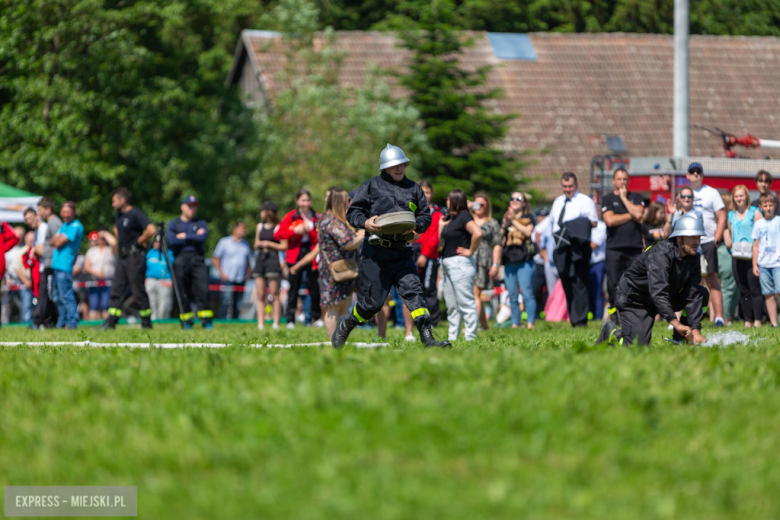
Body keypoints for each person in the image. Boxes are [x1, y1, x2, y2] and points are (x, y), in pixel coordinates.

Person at [332, 144, 451, 348]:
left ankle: (428, 338)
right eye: (394, 165)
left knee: (414, 293)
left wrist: (418, 228)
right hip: (375, 253)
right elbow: (353, 213)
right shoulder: (370, 186)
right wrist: (365, 222)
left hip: (402, 252)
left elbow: (425, 215)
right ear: (385, 167)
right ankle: (347, 324)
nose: (399, 168)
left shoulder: (414, 189)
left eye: (402, 165)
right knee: (373, 304)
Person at [597, 214, 708, 346]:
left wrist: (695, 330)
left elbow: (692, 294)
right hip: (635, 299)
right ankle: (612, 333)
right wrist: (675, 323)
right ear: (679, 238)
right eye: (692, 237)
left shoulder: (693, 257)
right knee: (637, 347)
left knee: (702, 294)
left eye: (699, 237)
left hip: (663, 296)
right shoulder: (661, 254)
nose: (697, 242)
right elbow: (658, 291)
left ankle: (681, 339)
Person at [102, 187, 156, 329]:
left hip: (134, 256)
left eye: (114, 201)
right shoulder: (118, 215)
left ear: (122, 200)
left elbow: (152, 230)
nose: (112, 204)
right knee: (116, 290)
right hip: (122, 256)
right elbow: (117, 229)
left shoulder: (135, 213)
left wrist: (140, 240)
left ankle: (146, 322)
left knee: (138, 290)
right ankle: (111, 321)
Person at [550, 172, 598, 327]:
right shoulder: (558, 202)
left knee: (580, 283)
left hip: (579, 248)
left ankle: (581, 320)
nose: (567, 189)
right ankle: (573, 319)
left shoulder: (585, 201)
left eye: (570, 186)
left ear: (576, 185)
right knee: (567, 283)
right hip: (561, 247)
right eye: (564, 186)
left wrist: (572, 227)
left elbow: (593, 222)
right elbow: (553, 223)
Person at [316, 188, 365, 339]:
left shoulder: (340, 219)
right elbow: (348, 243)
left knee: (344, 307)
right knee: (334, 307)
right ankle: (334, 342)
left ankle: (341, 340)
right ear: (339, 202)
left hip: (346, 268)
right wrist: (362, 233)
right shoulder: (330, 221)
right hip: (333, 272)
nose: (350, 202)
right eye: (347, 200)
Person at [601, 167, 645, 320]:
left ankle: (631, 316)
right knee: (613, 283)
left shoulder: (637, 196)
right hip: (614, 248)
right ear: (613, 181)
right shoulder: (607, 199)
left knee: (633, 283)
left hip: (634, 248)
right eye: (619, 179)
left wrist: (625, 199)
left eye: (624, 179)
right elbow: (610, 220)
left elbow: (639, 214)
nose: (622, 182)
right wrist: (631, 215)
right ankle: (615, 316)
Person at [401, 180, 443, 339]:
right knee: (410, 290)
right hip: (412, 251)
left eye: (428, 192)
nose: (425, 195)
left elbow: (434, 238)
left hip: (429, 255)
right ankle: (410, 329)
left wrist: (425, 254)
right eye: (422, 192)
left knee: (428, 289)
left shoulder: (436, 214)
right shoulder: (411, 210)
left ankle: (432, 323)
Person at [439, 189, 483, 341]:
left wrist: (471, 250)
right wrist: (440, 228)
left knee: (465, 302)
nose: (446, 201)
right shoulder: (451, 219)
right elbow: (442, 243)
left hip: (460, 264)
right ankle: (452, 338)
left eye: (448, 199)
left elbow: (477, 233)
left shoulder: (464, 216)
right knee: (452, 305)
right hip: (447, 264)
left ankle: (470, 337)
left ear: (455, 201)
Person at [687, 162, 727, 326]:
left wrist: (716, 239)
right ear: (687, 175)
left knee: (712, 279)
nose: (695, 174)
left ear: (702, 175)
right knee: (690, 281)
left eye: (698, 172)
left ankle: (718, 318)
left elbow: (722, 216)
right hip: (689, 244)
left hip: (708, 241)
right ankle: (691, 317)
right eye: (692, 172)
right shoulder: (685, 193)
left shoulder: (711, 193)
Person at [276, 190, 323, 329]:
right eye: (302, 200)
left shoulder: (316, 216)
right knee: (293, 287)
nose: (305, 203)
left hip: (312, 252)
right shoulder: (291, 216)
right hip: (295, 254)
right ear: (297, 201)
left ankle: (316, 317)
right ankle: (290, 319)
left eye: (307, 200)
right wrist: (294, 231)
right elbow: (279, 234)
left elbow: (321, 234)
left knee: (314, 286)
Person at [167, 195, 213, 329]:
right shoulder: (174, 224)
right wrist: (194, 237)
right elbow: (173, 241)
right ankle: (187, 321)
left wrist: (185, 236)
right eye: (189, 206)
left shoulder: (201, 223)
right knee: (182, 292)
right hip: (180, 259)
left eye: (194, 207)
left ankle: (206, 321)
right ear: (182, 207)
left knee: (203, 290)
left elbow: (202, 237)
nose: (192, 209)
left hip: (197, 259)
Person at [726, 185, 763, 327]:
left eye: (741, 196)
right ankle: (747, 321)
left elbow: (761, 234)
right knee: (742, 290)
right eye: (736, 196)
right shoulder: (731, 215)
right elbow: (730, 235)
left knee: (755, 289)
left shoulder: (755, 212)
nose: (739, 198)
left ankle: (758, 321)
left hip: (752, 256)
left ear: (746, 196)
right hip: (737, 256)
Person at [501, 192, 537, 329]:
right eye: (512, 198)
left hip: (525, 259)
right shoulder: (506, 217)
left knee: (527, 293)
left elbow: (528, 232)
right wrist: (505, 224)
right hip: (509, 259)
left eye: (518, 198)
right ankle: (515, 324)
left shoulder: (528, 217)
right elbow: (499, 237)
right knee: (512, 295)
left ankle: (530, 324)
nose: (515, 200)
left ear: (524, 202)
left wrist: (513, 220)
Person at [253, 201, 288, 330]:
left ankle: (276, 323)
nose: (261, 212)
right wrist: (261, 245)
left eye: (263, 210)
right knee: (261, 293)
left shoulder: (279, 227)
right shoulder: (259, 226)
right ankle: (260, 323)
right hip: (260, 258)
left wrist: (269, 244)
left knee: (274, 293)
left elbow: (284, 246)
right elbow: (256, 244)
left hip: (273, 259)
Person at [50, 201, 84, 329]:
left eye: (68, 212)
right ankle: (62, 322)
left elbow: (57, 243)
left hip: (65, 266)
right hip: (57, 266)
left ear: (74, 212)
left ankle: (72, 323)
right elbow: (52, 241)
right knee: (57, 297)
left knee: (67, 296)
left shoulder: (76, 226)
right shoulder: (65, 225)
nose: (65, 215)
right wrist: (57, 239)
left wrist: (57, 239)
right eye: (63, 212)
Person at [471, 192, 502, 330]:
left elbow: (497, 244)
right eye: (476, 203)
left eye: (482, 204)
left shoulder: (492, 223)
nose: (479, 207)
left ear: (487, 206)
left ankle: (473, 326)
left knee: (475, 293)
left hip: (482, 260)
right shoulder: (467, 219)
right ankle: (484, 325)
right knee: (473, 293)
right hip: (467, 258)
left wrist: (495, 264)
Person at [212, 221, 253, 320]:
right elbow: (215, 259)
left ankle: (235, 321)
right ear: (235, 229)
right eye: (243, 229)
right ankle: (222, 321)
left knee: (238, 303)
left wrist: (248, 274)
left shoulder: (246, 244)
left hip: (241, 279)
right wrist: (221, 274)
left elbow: (249, 261)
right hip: (227, 278)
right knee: (226, 301)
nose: (244, 231)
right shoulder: (224, 242)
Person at [32, 197, 61, 329]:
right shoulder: (50, 223)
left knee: (49, 294)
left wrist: (43, 249)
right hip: (48, 262)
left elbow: (60, 241)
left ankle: (50, 320)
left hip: (51, 263)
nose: (38, 214)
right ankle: (50, 320)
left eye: (40, 210)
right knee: (47, 293)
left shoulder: (53, 222)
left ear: (48, 209)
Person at [752, 193, 780, 327]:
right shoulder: (758, 224)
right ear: (760, 207)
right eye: (765, 205)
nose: (768, 208)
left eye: (770, 205)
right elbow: (756, 245)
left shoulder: (778, 221)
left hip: (778, 263)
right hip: (763, 264)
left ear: (775, 206)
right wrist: (754, 264)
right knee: (768, 294)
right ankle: (774, 323)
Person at [83, 230, 116, 321]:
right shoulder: (92, 251)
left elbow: (114, 243)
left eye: (103, 239)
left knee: (106, 305)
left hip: (108, 281)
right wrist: (97, 273)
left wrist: (105, 233)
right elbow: (87, 267)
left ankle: (107, 324)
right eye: (99, 239)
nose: (100, 241)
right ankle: (93, 326)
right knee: (94, 305)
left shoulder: (110, 250)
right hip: (94, 281)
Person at [145, 237, 174, 320]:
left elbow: (171, 266)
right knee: (151, 303)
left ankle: (163, 320)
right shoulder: (149, 253)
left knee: (164, 303)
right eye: (155, 242)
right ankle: (152, 320)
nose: (157, 243)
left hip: (165, 281)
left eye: (159, 242)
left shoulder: (169, 253)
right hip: (151, 280)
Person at [532, 208, 550, 319]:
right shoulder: (537, 228)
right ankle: (537, 313)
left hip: (549, 262)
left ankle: (548, 312)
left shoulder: (549, 224)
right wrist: (541, 251)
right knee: (536, 289)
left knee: (549, 290)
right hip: (538, 263)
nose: (540, 219)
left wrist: (543, 252)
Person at [15, 231, 35, 323]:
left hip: (37, 281)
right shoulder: (21, 251)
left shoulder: (37, 250)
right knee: (26, 305)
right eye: (30, 239)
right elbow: (16, 267)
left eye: (33, 239)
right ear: (26, 240)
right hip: (26, 281)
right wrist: (26, 281)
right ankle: (27, 323)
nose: (31, 241)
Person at [589, 219, 607, 321]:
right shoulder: (584, 223)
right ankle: (591, 314)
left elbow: (594, 245)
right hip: (588, 262)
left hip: (598, 262)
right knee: (589, 291)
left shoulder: (601, 226)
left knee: (597, 291)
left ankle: (598, 316)